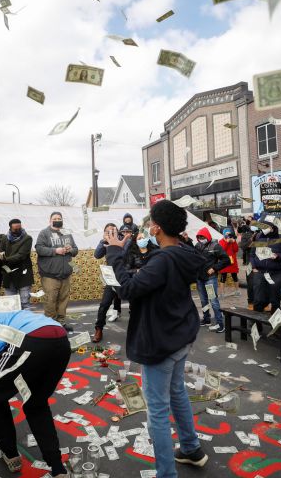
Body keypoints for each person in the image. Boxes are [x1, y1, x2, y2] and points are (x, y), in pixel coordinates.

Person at [104, 200, 208, 477]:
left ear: (156, 228)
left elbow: (127, 289)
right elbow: (154, 278)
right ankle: (190, 448)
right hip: (179, 336)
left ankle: (166, 473)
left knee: (158, 411)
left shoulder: (163, 259)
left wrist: (115, 252)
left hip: (160, 342)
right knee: (177, 392)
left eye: (151, 222)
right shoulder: (184, 253)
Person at [0, 306, 70, 477]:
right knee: (35, 404)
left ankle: (10, 454)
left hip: (31, 342)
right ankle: (57, 467)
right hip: (60, 342)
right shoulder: (3, 313)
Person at [35, 212, 78, 331]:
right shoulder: (44, 233)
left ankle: (61, 323)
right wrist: (55, 251)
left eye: (59, 218)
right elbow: (39, 248)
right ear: (50, 221)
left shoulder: (67, 233)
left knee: (63, 300)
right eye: (55, 218)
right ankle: (50, 325)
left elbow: (76, 250)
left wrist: (70, 250)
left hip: (65, 274)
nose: (57, 220)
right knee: (50, 300)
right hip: (50, 275)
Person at [249, 216, 281, 317]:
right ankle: (257, 325)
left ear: (272, 227)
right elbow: (252, 254)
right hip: (259, 272)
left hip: (275, 273)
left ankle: (275, 327)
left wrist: (278, 256)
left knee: (275, 301)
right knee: (258, 300)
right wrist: (254, 267)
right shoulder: (258, 236)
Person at [92, 223, 124, 343]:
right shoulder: (104, 242)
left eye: (113, 231)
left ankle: (138, 331)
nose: (110, 233)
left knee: (135, 305)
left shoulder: (123, 240)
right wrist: (103, 241)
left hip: (124, 276)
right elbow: (97, 255)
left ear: (117, 232)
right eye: (107, 231)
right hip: (111, 278)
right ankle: (98, 329)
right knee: (104, 304)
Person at [194, 227, 229, 333]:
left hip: (210, 279)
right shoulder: (197, 245)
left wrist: (214, 268)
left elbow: (226, 260)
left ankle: (220, 324)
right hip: (200, 278)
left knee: (213, 301)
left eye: (202, 237)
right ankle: (206, 319)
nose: (201, 239)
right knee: (203, 300)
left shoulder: (216, 246)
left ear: (207, 236)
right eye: (199, 237)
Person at [0, 219, 34, 310]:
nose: (18, 231)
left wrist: (5, 259)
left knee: (25, 303)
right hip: (9, 275)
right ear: (10, 228)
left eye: (19, 228)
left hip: (23, 274)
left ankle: (26, 322)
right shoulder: (5, 238)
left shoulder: (27, 238)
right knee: (10, 304)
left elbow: (21, 255)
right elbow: (1, 251)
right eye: (15, 229)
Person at [218, 228, 240, 297]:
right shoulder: (221, 241)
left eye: (229, 234)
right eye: (226, 234)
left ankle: (237, 291)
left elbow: (236, 250)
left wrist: (234, 242)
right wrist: (227, 242)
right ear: (224, 234)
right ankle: (222, 293)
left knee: (235, 276)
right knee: (223, 277)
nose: (228, 235)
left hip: (232, 262)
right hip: (224, 261)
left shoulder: (232, 240)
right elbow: (222, 250)